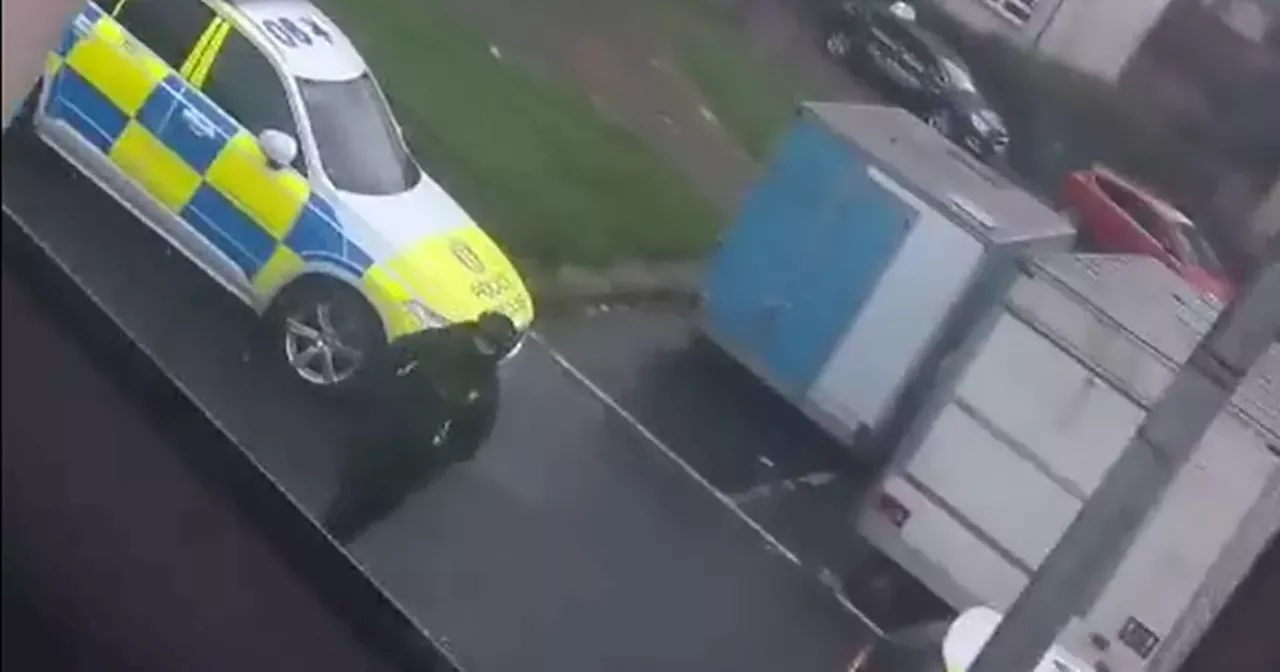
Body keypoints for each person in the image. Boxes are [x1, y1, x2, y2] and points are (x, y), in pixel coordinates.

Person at [322, 311, 516, 545]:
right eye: (483, 339)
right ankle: (330, 528)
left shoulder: (484, 391)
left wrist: (433, 459)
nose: (482, 347)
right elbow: (398, 351)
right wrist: (380, 390)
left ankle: (337, 536)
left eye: (490, 345)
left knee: (369, 508)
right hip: (386, 425)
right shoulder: (443, 341)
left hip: (412, 456)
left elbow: (469, 442)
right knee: (351, 487)